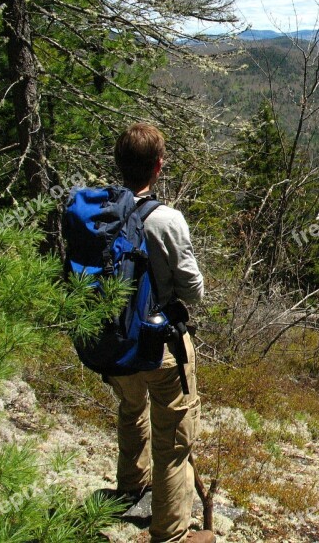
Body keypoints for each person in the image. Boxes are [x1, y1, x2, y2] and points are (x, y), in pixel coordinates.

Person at [107, 123, 213, 543]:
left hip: (115, 339)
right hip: (161, 343)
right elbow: (194, 291)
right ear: (158, 166)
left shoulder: (100, 213)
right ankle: (170, 533)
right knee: (174, 440)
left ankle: (131, 488)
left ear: (119, 164)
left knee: (130, 411)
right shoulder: (167, 220)